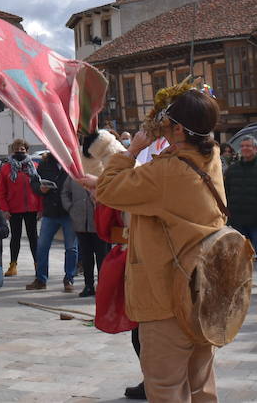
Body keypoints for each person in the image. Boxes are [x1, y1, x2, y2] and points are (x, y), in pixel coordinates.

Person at [95, 86, 225, 403]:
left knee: (166, 389)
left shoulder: (167, 171)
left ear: (179, 129)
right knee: (201, 384)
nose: (161, 124)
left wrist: (131, 150)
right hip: (203, 292)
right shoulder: (212, 155)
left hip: (169, 296)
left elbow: (108, 190)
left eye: (166, 120)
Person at [223, 134, 257, 297]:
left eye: (249, 146)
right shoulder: (233, 169)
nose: (245, 148)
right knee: (238, 256)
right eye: (243, 146)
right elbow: (226, 192)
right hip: (238, 220)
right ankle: (240, 284)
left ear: (256, 149)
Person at [26, 149, 77, 292]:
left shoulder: (73, 164)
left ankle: (69, 279)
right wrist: (39, 189)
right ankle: (41, 279)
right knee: (42, 246)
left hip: (68, 212)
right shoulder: (45, 163)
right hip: (50, 211)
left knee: (71, 248)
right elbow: (34, 182)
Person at [0, 138, 40, 277]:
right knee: (15, 237)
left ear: (27, 151)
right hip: (14, 208)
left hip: (31, 208)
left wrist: (41, 208)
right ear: (12, 151)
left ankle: (38, 264)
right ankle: (13, 265)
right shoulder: (6, 168)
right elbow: (1, 191)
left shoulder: (34, 166)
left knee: (34, 237)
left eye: (22, 149)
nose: (19, 151)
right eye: (17, 149)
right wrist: (4, 209)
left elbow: (39, 189)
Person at [63, 163, 102, 297]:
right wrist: (71, 208)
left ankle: (102, 287)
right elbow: (65, 193)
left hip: (98, 224)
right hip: (80, 223)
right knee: (86, 257)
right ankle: (88, 285)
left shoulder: (101, 171)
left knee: (102, 257)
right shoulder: (74, 176)